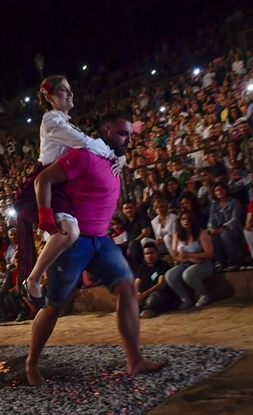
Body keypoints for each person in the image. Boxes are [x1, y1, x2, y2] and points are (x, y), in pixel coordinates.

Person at [26, 110, 163, 385]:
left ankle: (135, 359)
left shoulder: (114, 160)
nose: (127, 139)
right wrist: (47, 218)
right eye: (122, 133)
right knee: (55, 306)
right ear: (106, 131)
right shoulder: (83, 155)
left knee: (127, 286)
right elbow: (43, 180)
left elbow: (114, 159)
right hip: (74, 243)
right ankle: (31, 364)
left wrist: (120, 157)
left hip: (101, 240)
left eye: (129, 134)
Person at [16, 75, 125, 308]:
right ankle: (34, 279)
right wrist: (116, 155)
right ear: (49, 96)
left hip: (60, 185)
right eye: (63, 90)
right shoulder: (51, 121)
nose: (70, 94)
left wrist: (120, 156)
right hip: (47, 183)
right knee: (70, 231)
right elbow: (86, 143)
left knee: (71, 233)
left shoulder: (64, 121)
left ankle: (40, 280)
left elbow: (90, 146)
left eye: (70, 89)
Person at [165, 210, 215, 309]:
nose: (185, 221)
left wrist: (190, 255)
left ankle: (204, 294)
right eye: (183, 219)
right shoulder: (177, 235)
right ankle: (185, 298)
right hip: (186, 262)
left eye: (188, 219)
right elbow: (174, 254)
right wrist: (189, 258)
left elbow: (209, 253)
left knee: (188, 274)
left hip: (204, 263)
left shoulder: (201, 233)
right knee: (170, 275)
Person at [207, 182, 243, 272]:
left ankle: (232, 261)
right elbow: (210, 221)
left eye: (221, 189)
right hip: (219, 231)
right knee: (213, 235)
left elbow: (235, 220)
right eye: (216, 190)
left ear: (226, 190)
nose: (219, 192)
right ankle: (218, 262)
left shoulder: (234, 202)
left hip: (234, 231)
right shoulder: (214, 206)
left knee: (224, 234)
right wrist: (211, 228)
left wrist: (224, 227)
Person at [135, 242, 176, 318]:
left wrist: (144, 294)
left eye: (152, 253)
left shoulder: (163, 265)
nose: (149, 256)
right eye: (147, 253)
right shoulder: (141, 267)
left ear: (157, 253)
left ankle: (141, 311)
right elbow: (137, 283)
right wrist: (138, 294)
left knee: (154, 297)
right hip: (144, 296)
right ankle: (144, 311)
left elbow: (161, 284)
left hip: (160, 295)